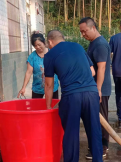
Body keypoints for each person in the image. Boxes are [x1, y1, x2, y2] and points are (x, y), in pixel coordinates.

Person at [44, 30, 103, 162]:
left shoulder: (50, 55)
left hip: (72, 96)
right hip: (91, 93)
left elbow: (48, 85)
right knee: (94, 131)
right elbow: (92, 71)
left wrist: (48, 107)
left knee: (71, 135)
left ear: (50, 42)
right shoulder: (78, 46)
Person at [79, 17, 111, 159]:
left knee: (101, 118)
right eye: (81, 32)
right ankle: (96, 145)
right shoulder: (93, 42)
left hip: (100, 89)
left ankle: (102, 147)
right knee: (95, 118)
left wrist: (98, 90)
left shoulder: (100, 45)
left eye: (85, 31)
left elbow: (102, 68)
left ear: (93, 28)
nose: (83, 35)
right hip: (95, 88)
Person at [17, 31, 59, 99]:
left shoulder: (52, 53)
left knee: (53, 108)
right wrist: (23, 87)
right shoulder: (32, 57)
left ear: (44, 42)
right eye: (35, 45)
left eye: (39, 44)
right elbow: (29, 72)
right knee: (36, 108)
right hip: (38, 89)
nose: (38, 47)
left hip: (52, 88)